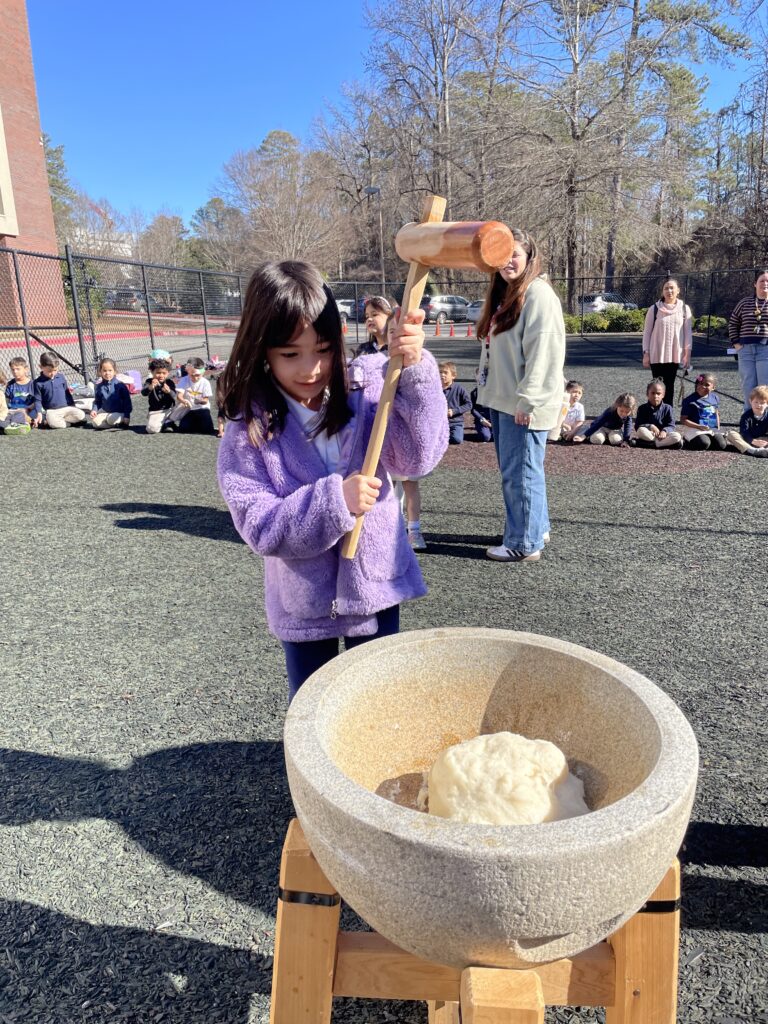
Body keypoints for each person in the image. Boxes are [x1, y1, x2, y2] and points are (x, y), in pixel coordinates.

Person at [217, 260, 448, 701]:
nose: (310, 369)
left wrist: (415, 367)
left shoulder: (370, 389)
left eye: (322, 349)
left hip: (375, 582)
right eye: (290, 354)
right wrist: (334, 501)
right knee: (312, 709)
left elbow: (418, 458)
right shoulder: (249, 428)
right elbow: (260, 525)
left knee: (382, 702)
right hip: (304, 602)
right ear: (260, 349)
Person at [475, 229, 565, 562]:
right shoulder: (507, 294)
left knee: (520, 473)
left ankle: (523, 543)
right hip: (504, 400)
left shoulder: (537, 294)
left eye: (515, 253)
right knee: (525, 469)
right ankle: (535, 528)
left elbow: (544, 353)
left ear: (529, 256)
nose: (509, 260)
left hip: (523, 403)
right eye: (502, 254)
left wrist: (529, 400)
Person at [641, 278, 692, 407]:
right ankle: (654, 414)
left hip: (675, 355)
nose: (669, 291)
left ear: (678, 290)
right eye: (666, 288)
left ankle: (667, 416)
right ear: (662, 291)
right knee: (656, 387)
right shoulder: (654, 309)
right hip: (656, 354)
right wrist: (646, 353)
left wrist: (687, 354)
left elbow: (687, 334)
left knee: (669, 386)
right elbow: (647, 333)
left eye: (672, 288)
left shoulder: (685, 309)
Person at [728, 268, 768, 409]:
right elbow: (733, 323)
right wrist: (736, 343)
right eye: (762, 280)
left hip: (765, 350)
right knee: (748, 385)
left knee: (765, 386)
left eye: (767, 281)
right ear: (755, 284)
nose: (765, 283)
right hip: (746, 351)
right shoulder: (744, 303)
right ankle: (748, 420)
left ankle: (764, 421)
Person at [32, 354, 87, 429]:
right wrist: (39, 413)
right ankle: (66, 423)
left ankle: (61, 421)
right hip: (52, 411)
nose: (53, 373)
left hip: (66, 408)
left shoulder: (61, 377)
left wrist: (72, 405)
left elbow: (67, 393)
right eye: (49, 371)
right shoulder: (38, 383)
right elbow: (37, 400)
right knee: (57, 424)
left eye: (55, 370)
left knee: (81, 415)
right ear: (41, 367)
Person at [678, 372, 727, 450]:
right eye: (700, 383)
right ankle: (687, 441)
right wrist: (698, 426)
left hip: (710, 427)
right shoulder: (689, 400)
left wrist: (717, 426)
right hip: (695, 428)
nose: (702, 386)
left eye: (707, 385)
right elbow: (683, 420)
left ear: (713, 387)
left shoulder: (715, 398)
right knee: (704, 444)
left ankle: (709, 439)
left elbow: (716, 412)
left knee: (722, 445)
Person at [165, 357, 214, 433]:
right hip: (188, 408)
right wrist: (183, 401)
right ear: (188, 372)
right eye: (192, 375)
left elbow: (206, 400)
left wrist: (200, 401)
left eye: (198, 375)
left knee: (208, 430)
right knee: (183, 429)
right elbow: (179, 396)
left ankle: (197, 422)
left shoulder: (205, 382)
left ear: (202, 373)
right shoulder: (184, 380)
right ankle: (170, 420)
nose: (195, 378)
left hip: (202, 408)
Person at [631, 379, 682, 449]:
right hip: (649, 434)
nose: (655, 396)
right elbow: (637, 426)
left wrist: (665, 431)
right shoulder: (642, 408)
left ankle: (650, 444)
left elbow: (671, 425)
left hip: (663, 436)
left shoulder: (668, 408)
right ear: (647, 394)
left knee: (677, 436)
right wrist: (650, 426)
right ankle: (661, 444)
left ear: (663, 395)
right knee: (640, 430)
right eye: (653, 393)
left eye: (658, 393)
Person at [725, 385, 768, 457]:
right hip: (748, 440)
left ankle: (764, 450)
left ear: (767, 404)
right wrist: (753, 441)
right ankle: (752, 450)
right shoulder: (746, 416)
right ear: (750, 401)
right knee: (730, 434)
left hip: (763, 440)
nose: (758, 405)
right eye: (756, 402)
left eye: (762, 403)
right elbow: (744, 432)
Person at [89, 358, 132, 429]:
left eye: (110, 370)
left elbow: (127, 402)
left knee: (111, 419)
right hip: (106, 412)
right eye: (104, 371)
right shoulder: (99, 387)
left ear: (115, 371)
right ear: (100, 372)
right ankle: (116, 425)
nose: (107, 373)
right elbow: (97, 401)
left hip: (119, 413)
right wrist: (94, 410)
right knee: (95, 423)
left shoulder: (120, 385)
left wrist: (127, 416)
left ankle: (120, 421)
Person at [440, 362, 472, 444]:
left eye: (445, 373)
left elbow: (469, 404)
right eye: (440, 372)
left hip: (455, 422)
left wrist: (454, 411)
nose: (442, 375)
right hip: (439, 421)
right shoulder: (435, 389)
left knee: (457, 439)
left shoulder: (459, 389)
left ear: (453, 376)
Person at [142, 358, 177, 434]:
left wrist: (169, 391)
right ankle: (165, 423)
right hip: (156, 411)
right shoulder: (149, 382)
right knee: (151, 430)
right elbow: (143, 393)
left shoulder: (169, 382)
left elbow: (175, 396)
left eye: (164, 373)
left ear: (168, 373)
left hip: (170, 410)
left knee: (184, 406)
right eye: (158, 372)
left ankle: (168, 421)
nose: (161, 375)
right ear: (152, 372)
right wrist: (150, 387)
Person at [3, 357, 35, 434]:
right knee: (6, 417)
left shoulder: (33, 384)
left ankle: (18, 424)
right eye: (13, 369)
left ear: (26, 369)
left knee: (29, 415)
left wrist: (27, 408)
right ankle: (16, 424)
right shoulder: (10, 385)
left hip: (28, 410)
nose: (15, 371)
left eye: (18, 369)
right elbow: (6, 401)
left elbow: (37, 401)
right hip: (13, 411)